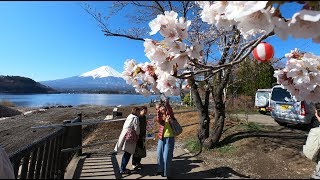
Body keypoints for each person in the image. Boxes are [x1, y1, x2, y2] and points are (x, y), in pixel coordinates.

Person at [114, 107, 140, 174]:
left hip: (125, 135)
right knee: (128, 153)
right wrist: (138, 134)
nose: (139, 113)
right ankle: (122, 169)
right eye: (138, 111)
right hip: (131, 137)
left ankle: (122, 168)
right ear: (136, 111)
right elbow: (137, 130)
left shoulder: (129, 116)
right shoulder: (135, 118)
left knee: (126, 152)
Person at [154, 99, 175, 178]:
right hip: (161, 138)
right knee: (159, 154)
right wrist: (158, 110)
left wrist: (167, 104)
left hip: (169, 138)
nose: (161, 109)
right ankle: (160, 170)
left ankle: (167, 173)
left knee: (167, 157)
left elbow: (169, 110)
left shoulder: (170, 116)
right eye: (160, 109)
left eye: (162, 108)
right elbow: (158, 119)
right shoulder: (161, 118)